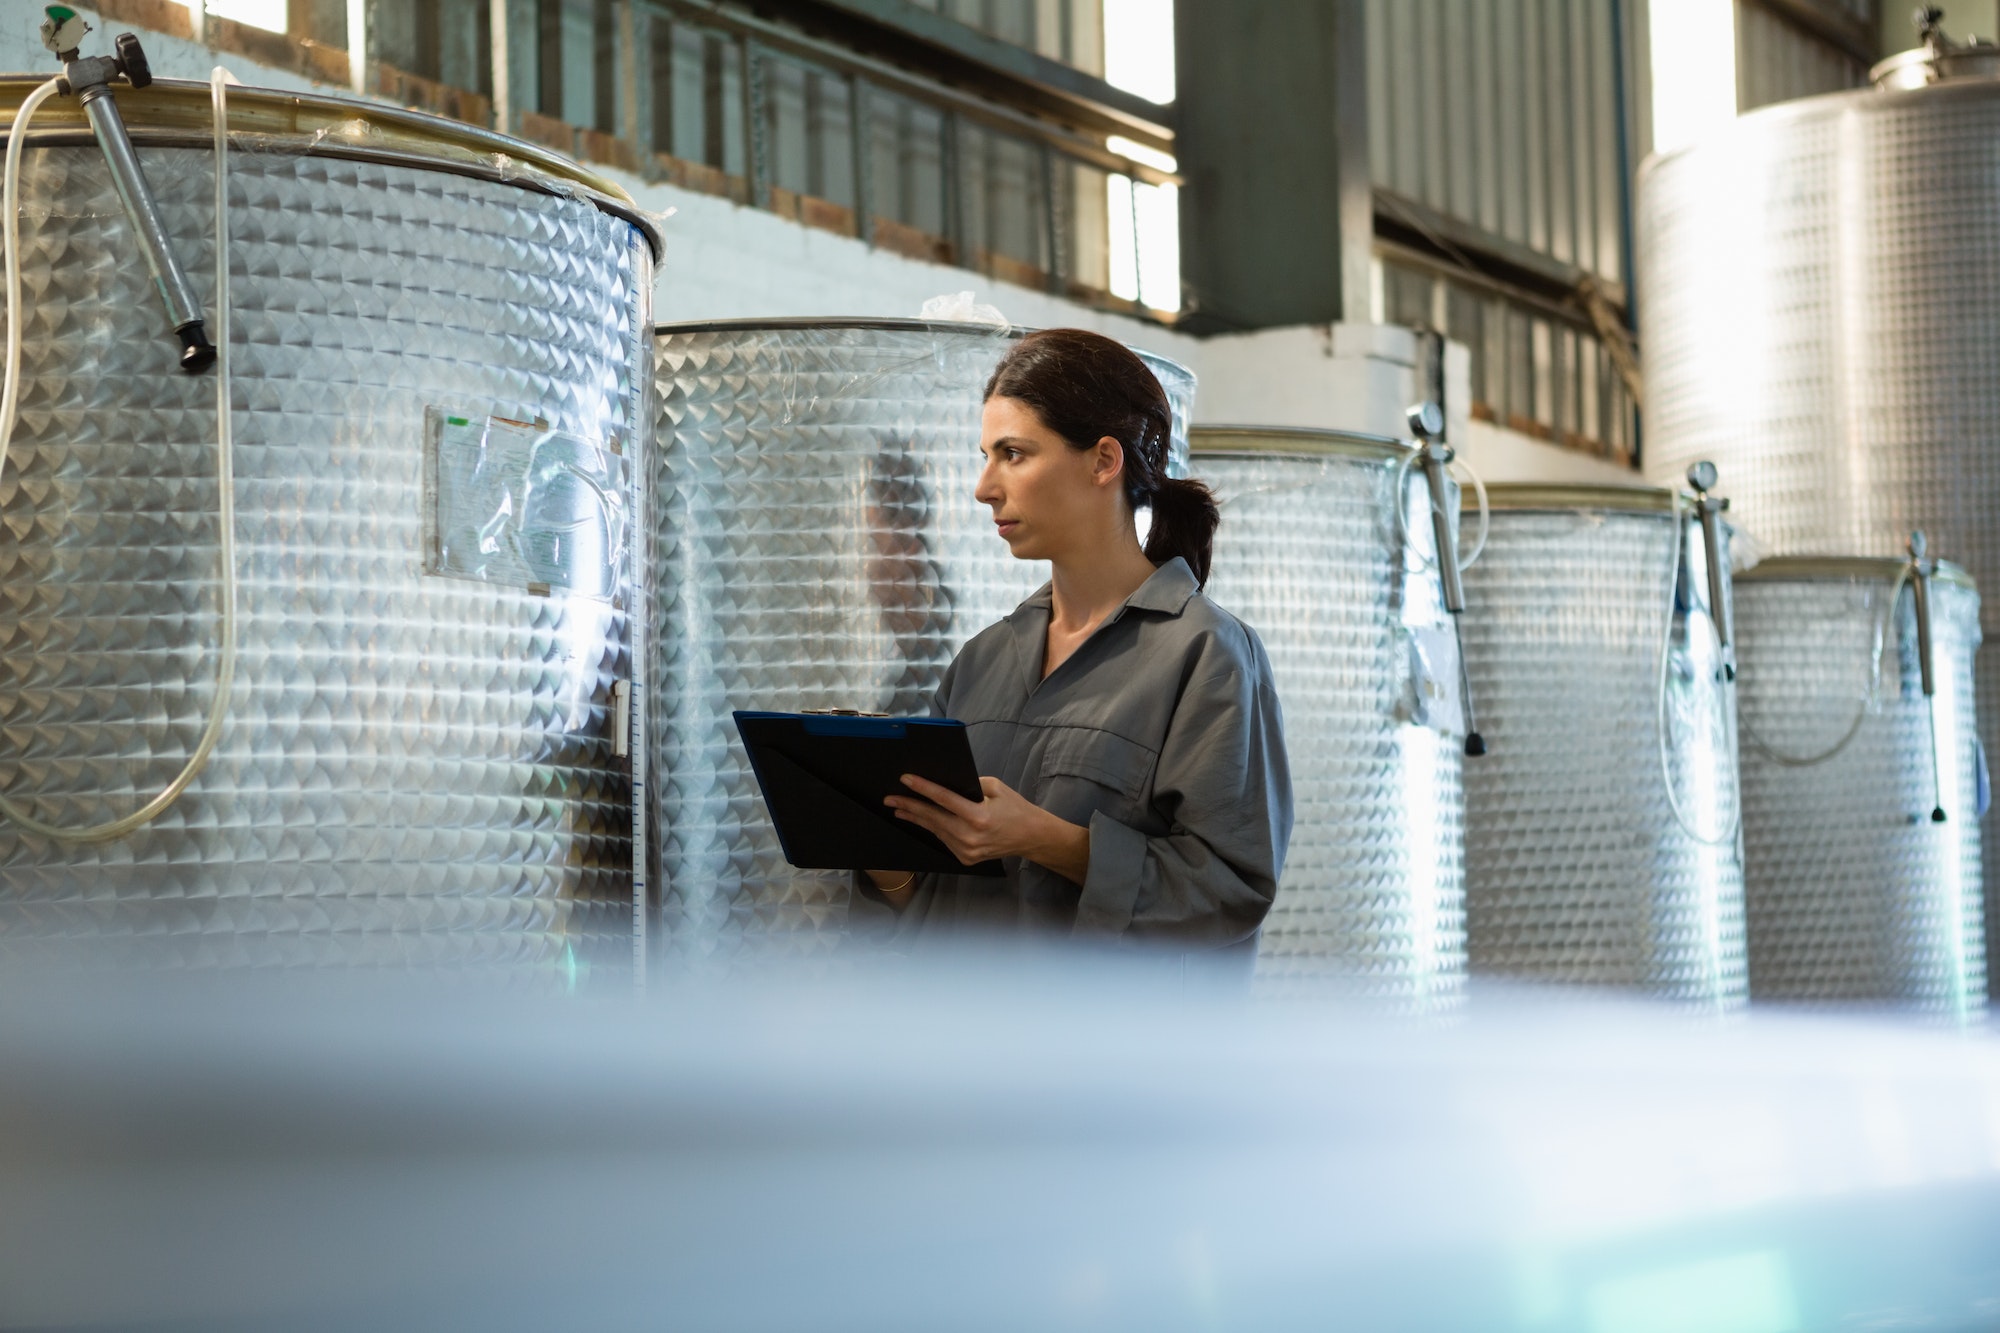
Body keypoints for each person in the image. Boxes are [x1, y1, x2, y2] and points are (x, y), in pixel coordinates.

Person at [852, 328, 1292, 967]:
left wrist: (1050, 841)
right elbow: (934, 914)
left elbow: (1229, 890)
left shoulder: (1207, 656)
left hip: (1103, 1059)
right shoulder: (981, 662)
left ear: (1103, 461)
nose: (984, 486)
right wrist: (883, 860)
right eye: (986, 455)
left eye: (1014, 454)